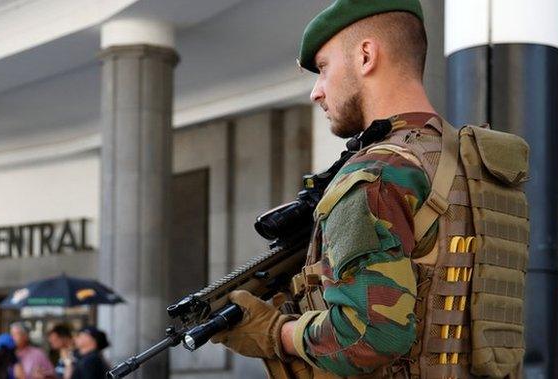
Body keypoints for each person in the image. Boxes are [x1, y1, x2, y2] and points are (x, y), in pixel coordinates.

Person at [210, 0, 502, 377]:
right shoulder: (473, 161)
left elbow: (366, 337)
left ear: (366, 55)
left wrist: (272, 332)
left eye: (324, 68)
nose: (316, 92)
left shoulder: (375, 175)